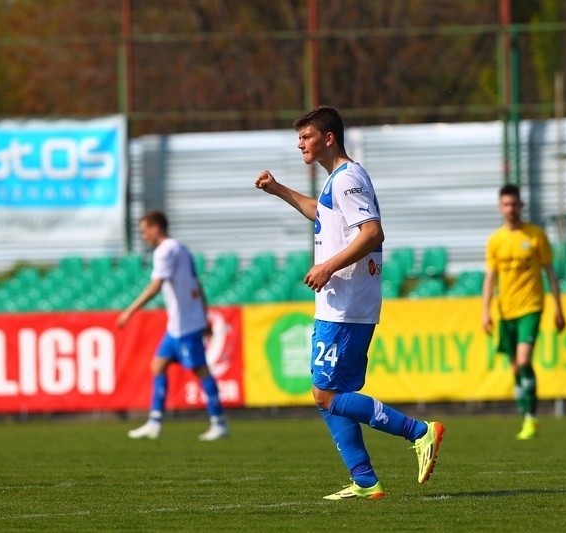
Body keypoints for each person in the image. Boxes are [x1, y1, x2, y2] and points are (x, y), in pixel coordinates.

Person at [255, 105, 444, 500]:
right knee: (327, 394)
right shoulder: (336, 182)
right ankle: (364, 481)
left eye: (306, 136)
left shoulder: (347, 178)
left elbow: (373, 233)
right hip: (338, 302)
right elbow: (323, 214)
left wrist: (326, 266)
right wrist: (280, 190)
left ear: (328, 138)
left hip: (346, 303)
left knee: (326, 394)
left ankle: (419, 432)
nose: (299, 144)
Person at [116, 210, 229, 442]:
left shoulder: (164, 251)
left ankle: (219, 423)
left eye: (145, 230)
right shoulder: (182, 249)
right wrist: (205, 316)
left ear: (156, 228)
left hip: (185, 324)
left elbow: (156, 285)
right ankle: (155, 422)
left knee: (201, 370)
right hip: (179, 324)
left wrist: (129, 311)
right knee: (158, 365)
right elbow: (197, 285)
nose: (144, 236)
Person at [481, 184, 566, 440]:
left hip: (531, 307)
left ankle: (531, 417)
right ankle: (525, 411)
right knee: (516, 369)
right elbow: (490, 277)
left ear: (521, 205)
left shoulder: (536, 235)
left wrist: (558, 308)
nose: (510, 208)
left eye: (514, 204)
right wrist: (485, 312)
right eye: (506, 204)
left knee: (524, 361)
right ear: (500, 207)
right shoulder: (496, 240)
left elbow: (550, 272)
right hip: (505, 311)